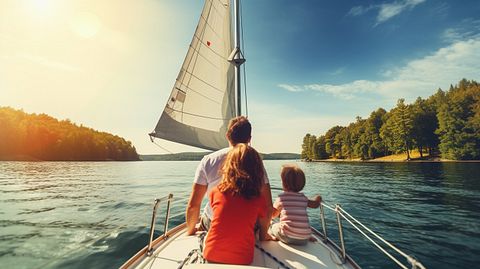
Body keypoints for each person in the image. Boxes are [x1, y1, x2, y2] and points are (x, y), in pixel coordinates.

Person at [185, 116, 274, 241]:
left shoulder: (208, 161)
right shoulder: (255, 163)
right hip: (248, 227)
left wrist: (190, 231)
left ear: (227, 135)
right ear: (249, 139)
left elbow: (193, 205)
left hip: (213, 224)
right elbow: (268, 207)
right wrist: (264, 235)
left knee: (207, 215)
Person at [203, 144, 269, 264]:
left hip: (210, 254)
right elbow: (265, 220)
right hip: (242, 259)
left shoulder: (215, 192)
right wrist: (265, 236)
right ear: (257, 170)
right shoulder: (258, 199)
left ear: (228, 167)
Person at [270, 164, 322, 245]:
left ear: (284, 183)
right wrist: (318, 198)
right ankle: (305, 236)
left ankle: (274, 236)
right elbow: (315, 205)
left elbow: (273, 215)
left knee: (273, 226)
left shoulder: (281, 198)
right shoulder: (303, 198)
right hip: (304, 239)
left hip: (287, 237)